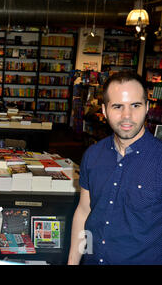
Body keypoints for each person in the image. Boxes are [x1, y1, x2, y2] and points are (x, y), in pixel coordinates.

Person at [68, 71, 162, 265]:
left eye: (135, 106)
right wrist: (72, 262)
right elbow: (84, 211)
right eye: (117, 106)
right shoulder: (92, 155)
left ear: (146, 107)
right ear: (104, 110)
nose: (126, 116)